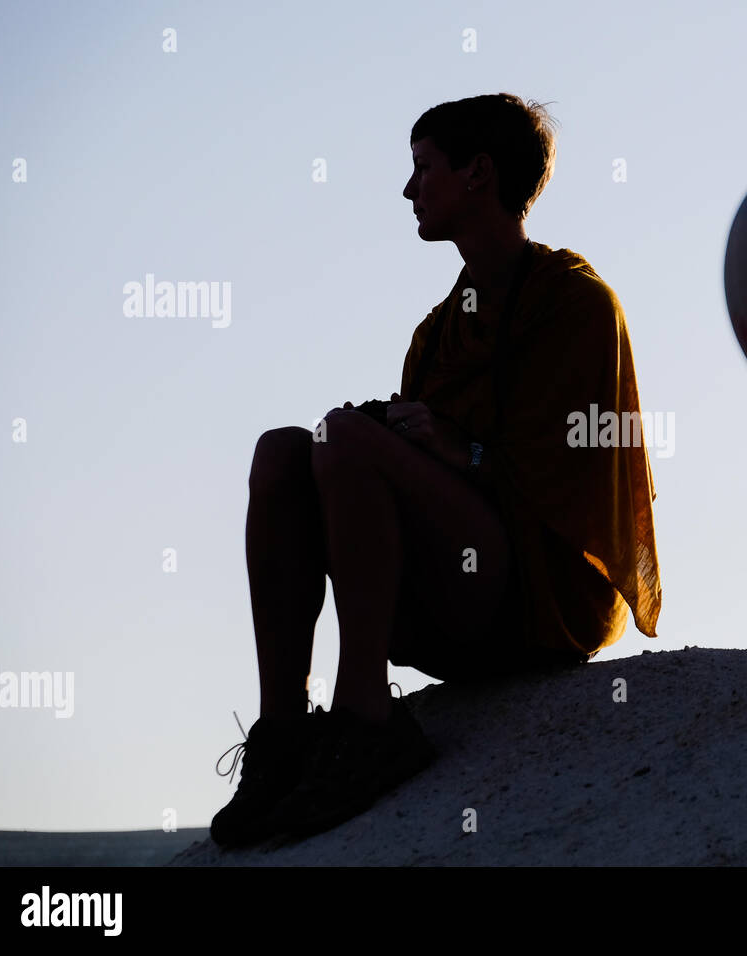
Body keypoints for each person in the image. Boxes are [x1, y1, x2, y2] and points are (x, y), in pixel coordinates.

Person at [210, 93, 662, 847]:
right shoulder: (438, 333)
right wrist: (410, 442)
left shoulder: (577, 305)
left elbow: (579, 474)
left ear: (479, 173)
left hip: (542, 598)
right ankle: (283, 734)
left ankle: (366, 720)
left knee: (345, 438)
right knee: (284, 451)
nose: (408, 189)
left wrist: (463, 452)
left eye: (422, 168)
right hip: (453, 598)